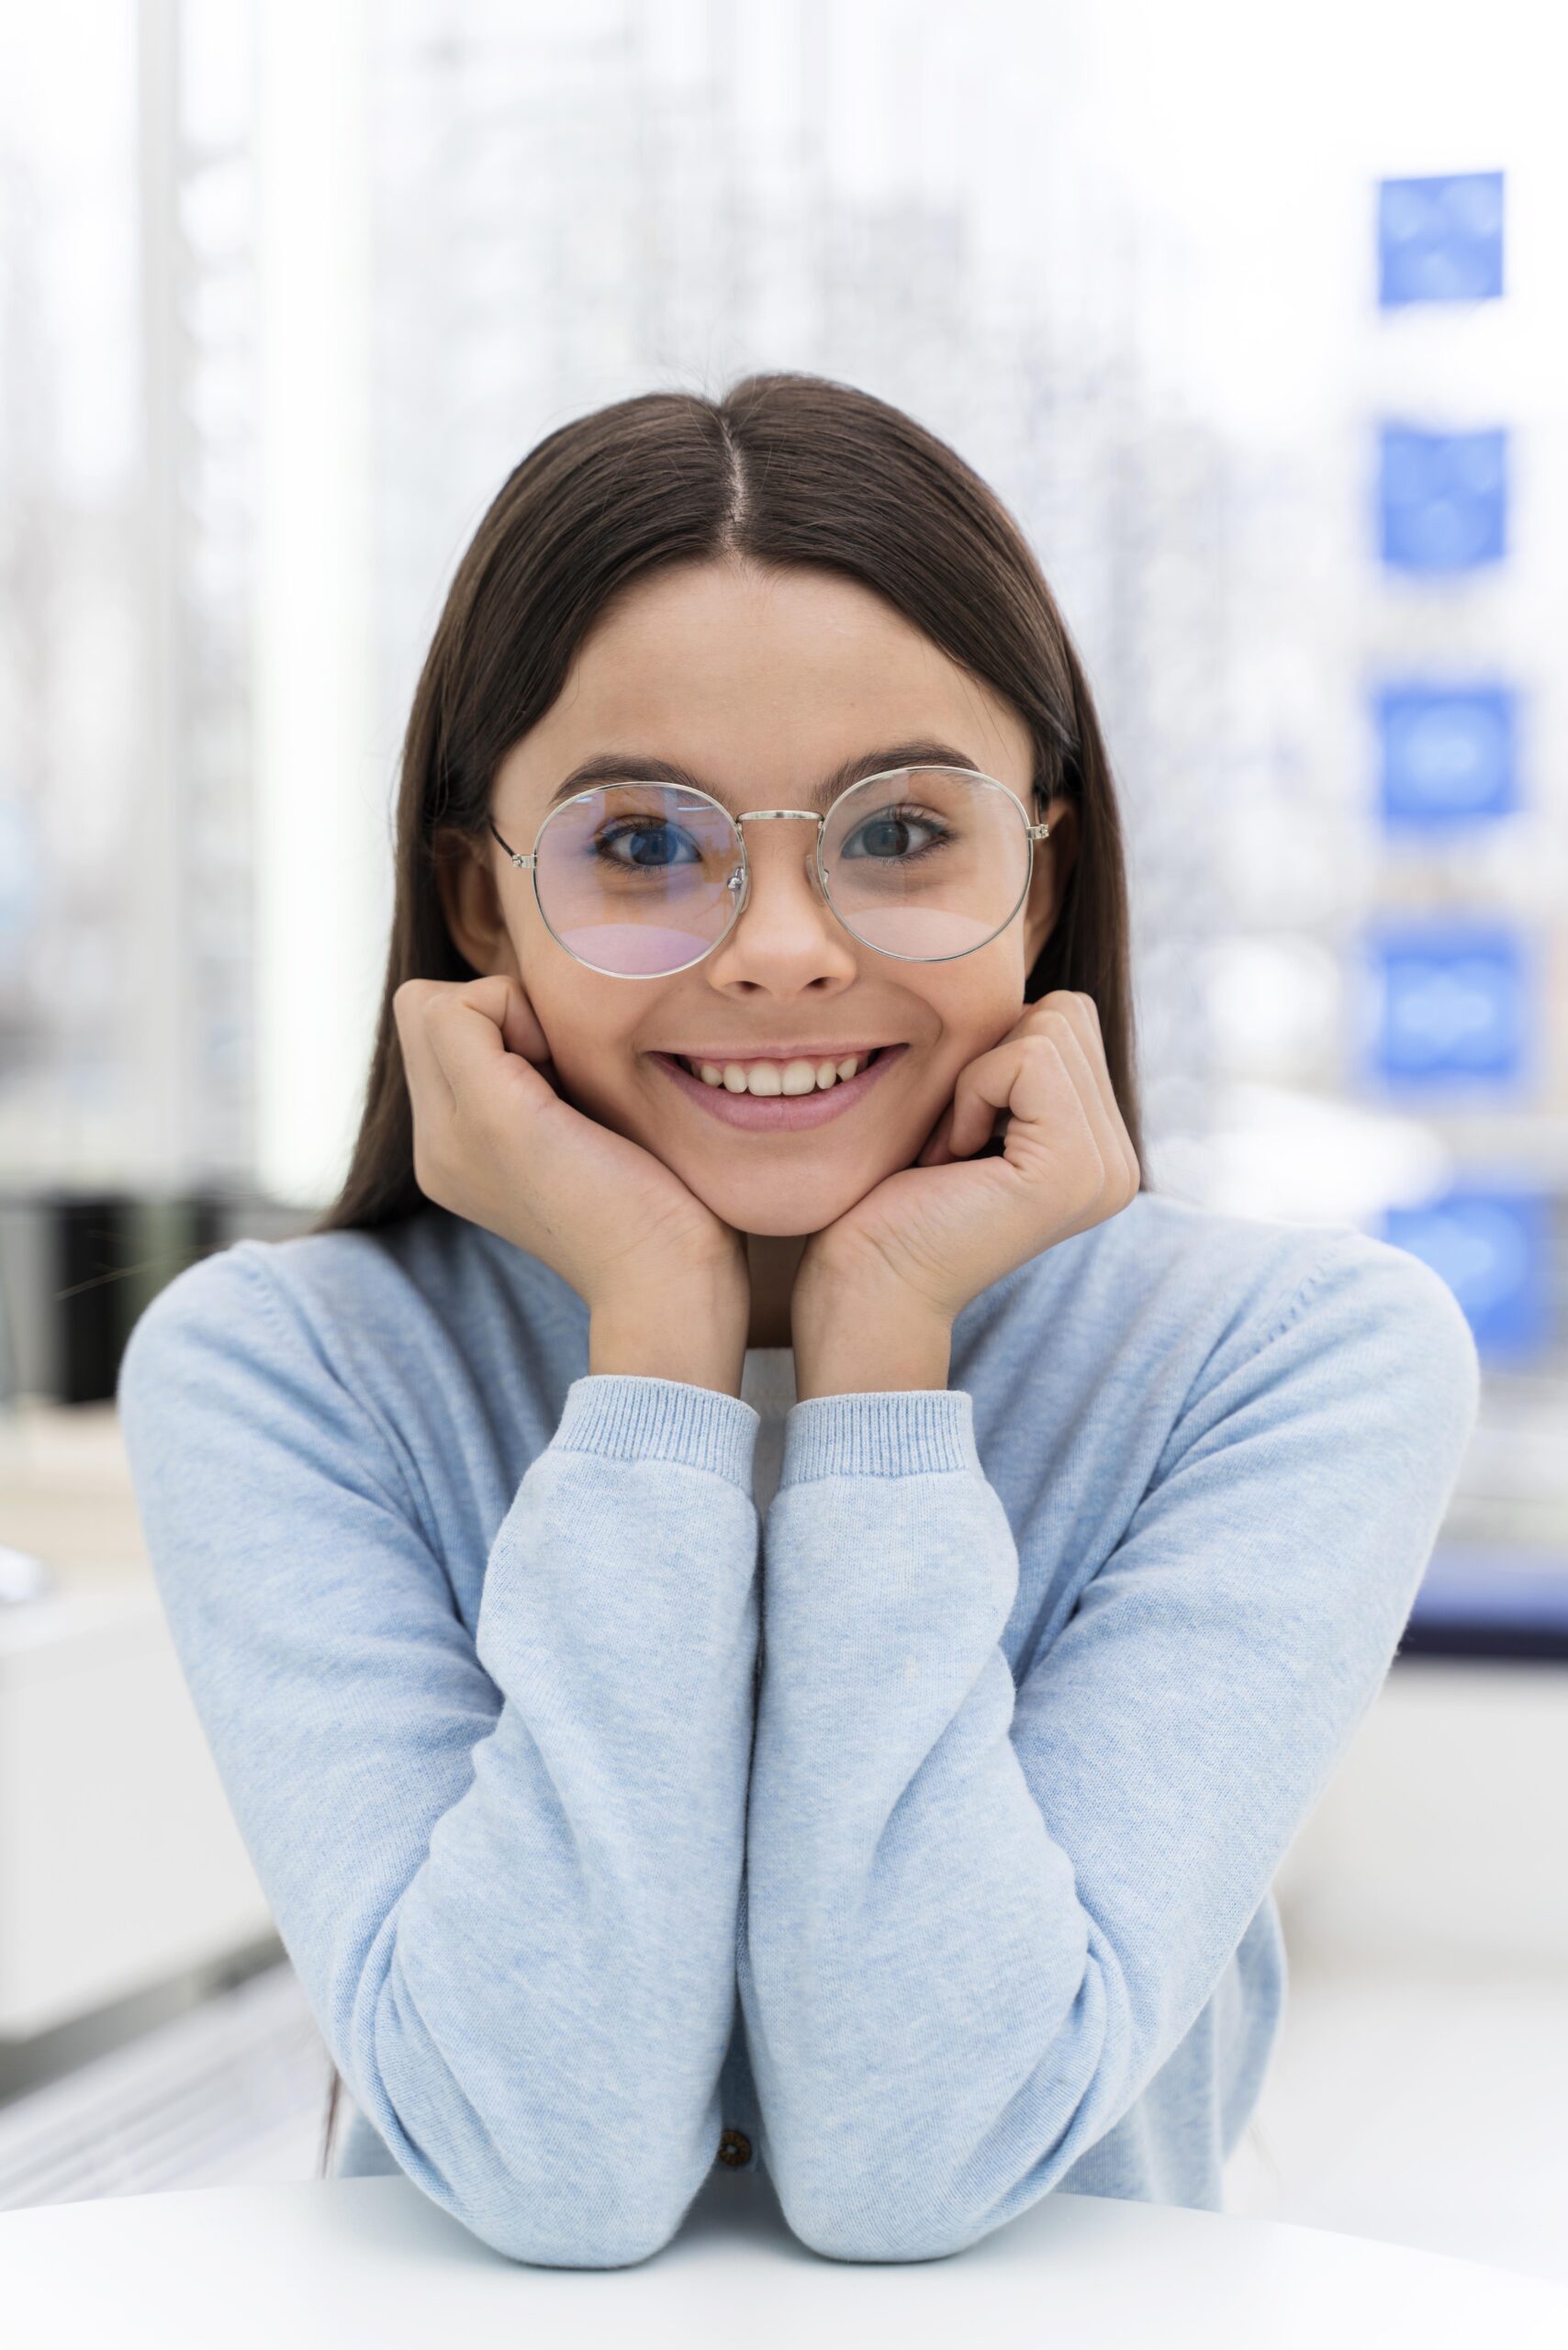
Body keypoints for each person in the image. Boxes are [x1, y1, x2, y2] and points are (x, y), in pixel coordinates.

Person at [115, 372, 1479, 2269]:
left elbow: (927, 2153)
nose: (779, 947)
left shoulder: (1291, 1363)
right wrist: (656, 1335)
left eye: (901, 832)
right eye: (643, 846)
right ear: (477, 907)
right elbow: (542, 2158)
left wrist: (881, 1358)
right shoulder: (283, 1371)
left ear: (1043, 875)